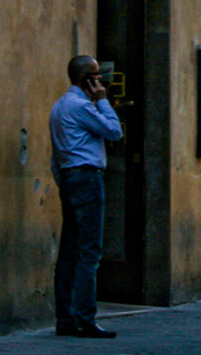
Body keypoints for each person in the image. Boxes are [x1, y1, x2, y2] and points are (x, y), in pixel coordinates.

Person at [50, 54, 123, 338]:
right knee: (88, 251)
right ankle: (84, 318)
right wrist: (103, 100)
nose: (102, 80)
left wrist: (63, 181)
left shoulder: (59, 107)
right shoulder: (81, 106)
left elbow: (55, 155)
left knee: (69, 250)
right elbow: (114, 131)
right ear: (86, 80)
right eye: (97, 75)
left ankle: (65, 318)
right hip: (86, 177)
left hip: (69, 176)